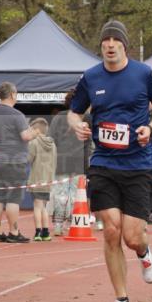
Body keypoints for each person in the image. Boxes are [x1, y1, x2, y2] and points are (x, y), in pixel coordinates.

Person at [68, 20, 152, 302]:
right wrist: (77, 124)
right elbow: (74, 110)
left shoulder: (144, 74)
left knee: (132, 236)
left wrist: (150, 128)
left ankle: (144, 254)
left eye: (114, 39)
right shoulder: (91, 77)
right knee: (110, 230)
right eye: (105, 39)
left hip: (138, 164)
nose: (109, 44)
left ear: (124, 45)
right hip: (104, 163)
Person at [0, 82, 36, 243]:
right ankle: (14, 232)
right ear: (12, 94)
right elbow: (26, 136)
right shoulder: (17, 115)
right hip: (15, 160)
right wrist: (36, 132)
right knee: (13, 198)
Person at [48, 89, 91, 235]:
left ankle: (58, 225)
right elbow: (90, 143)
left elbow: (51, 139)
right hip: (79, 161)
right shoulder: (87, 118)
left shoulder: (58, 117)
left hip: (61, 160)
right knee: (77, 194)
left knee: (60, 193)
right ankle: (73, 222)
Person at [27, 117, 57, 241]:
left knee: (37, 206)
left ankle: (38, 231)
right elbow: (54, 161)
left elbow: (29, 159)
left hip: (36, 179)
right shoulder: (53, 144)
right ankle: (45, 231)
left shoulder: (33, 143)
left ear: (37, 130)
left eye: (31, 130)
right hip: (48, 179)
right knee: (43, 206)